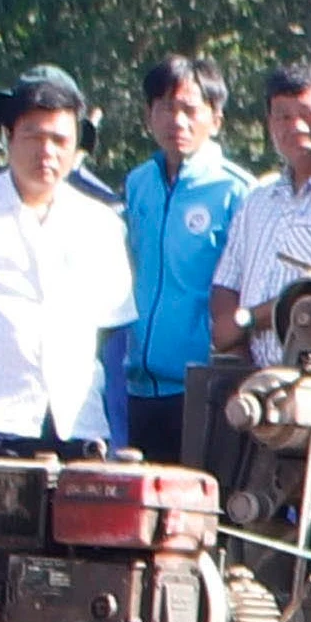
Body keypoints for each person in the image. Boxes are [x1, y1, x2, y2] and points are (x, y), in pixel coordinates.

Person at [0, 67, 130, 474]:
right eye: (33, 136)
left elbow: (110, 328)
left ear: (76, 148)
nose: (46, 151)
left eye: (59, 140)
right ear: (9, 137)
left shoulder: (101, 224)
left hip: (76, 425)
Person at [115, 51, 244, 471]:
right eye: (165, 108)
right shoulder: (138, 184)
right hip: (137, 385)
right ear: (149, 116)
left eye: (190, 109)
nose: (177, 122)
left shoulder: (235, 192)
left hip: (202, 385)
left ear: (216, 118)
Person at [204, 59, 311, 343]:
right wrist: (234, 344)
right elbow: (226, 284)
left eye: (307, 113)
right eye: (283, 116)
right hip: (253, 376)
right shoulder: (259, 199)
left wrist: (246, 319)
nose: (296, 126)